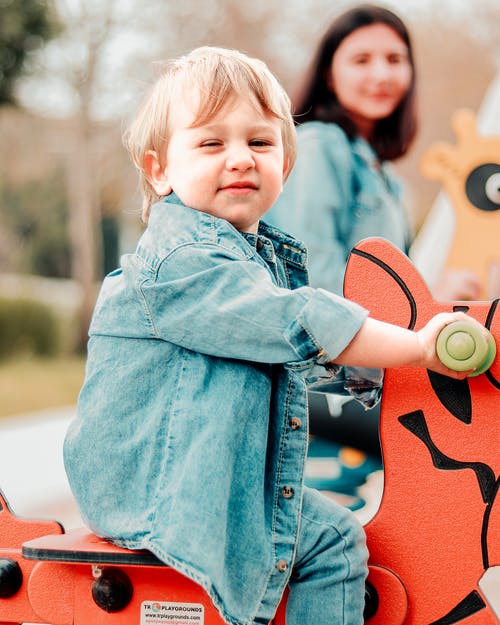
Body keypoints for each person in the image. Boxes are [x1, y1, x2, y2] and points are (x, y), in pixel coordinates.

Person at [63, 46, 482, 625]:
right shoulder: (182, 263)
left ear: (285, 164)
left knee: (334, 526)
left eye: (260, 143)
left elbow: (298, 353)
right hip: (162, 489)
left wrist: (374, 370)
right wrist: (419, 348)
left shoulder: (253, 261)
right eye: (211, 144)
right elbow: (293, 322)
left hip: (200, 476)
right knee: (329, 545)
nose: (240, 159)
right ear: (159, 168)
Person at [266, 5, 481, 500]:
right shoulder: (319, 147)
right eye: (361, 59)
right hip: (324, 389)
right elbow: (314, 282)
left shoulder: (385, 175)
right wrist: (427, 298)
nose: (381, 74)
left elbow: (386, 282)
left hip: (371, 378)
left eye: (394, 58)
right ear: (329, 72)